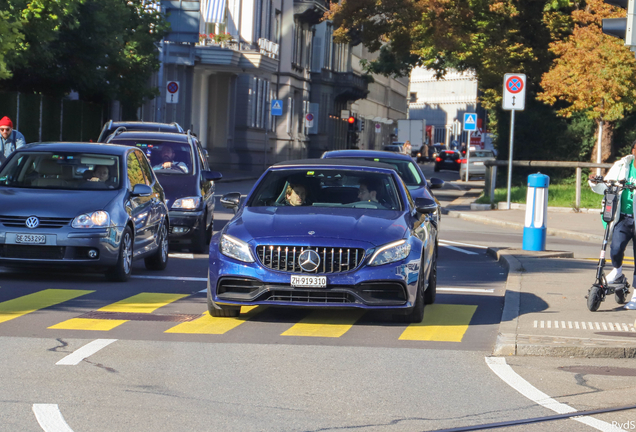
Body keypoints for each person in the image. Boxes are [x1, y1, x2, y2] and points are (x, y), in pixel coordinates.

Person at [589, 140, 636, 309]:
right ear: (633, 150)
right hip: (622, 217)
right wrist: (595, 182)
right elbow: (606, 187)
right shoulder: (622, 166)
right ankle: (617, 273)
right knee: (615, 248)